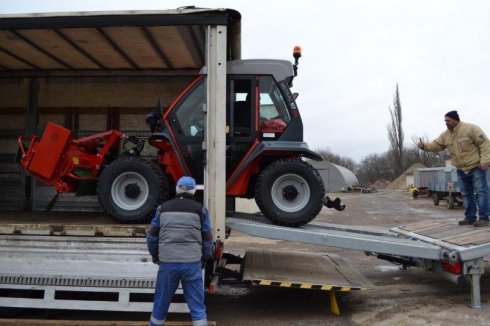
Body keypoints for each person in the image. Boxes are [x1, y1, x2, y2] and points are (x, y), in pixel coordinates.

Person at [146, 176, 213, 326]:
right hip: (192, 263)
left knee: (160, 305)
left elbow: (152, 236)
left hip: (168, 263)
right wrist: (205, 257)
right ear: (194, 190)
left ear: (177, 188)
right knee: (197, 308)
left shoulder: (162, 208)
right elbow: (208, 239)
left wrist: (155, 255)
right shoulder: (200, 210)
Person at [418, 110, 490, 227]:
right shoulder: (445, 135)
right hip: (461, 169)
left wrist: (485, 160)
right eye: (445, 121)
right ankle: (470, 217)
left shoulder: (471, 129)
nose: (446, 123)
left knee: (481, 192)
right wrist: (424, 146)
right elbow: (436, 145)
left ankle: (484, 218)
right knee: (466, 194)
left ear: (456, 119)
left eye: (448, 120)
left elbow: (485, 144)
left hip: (476, 166)